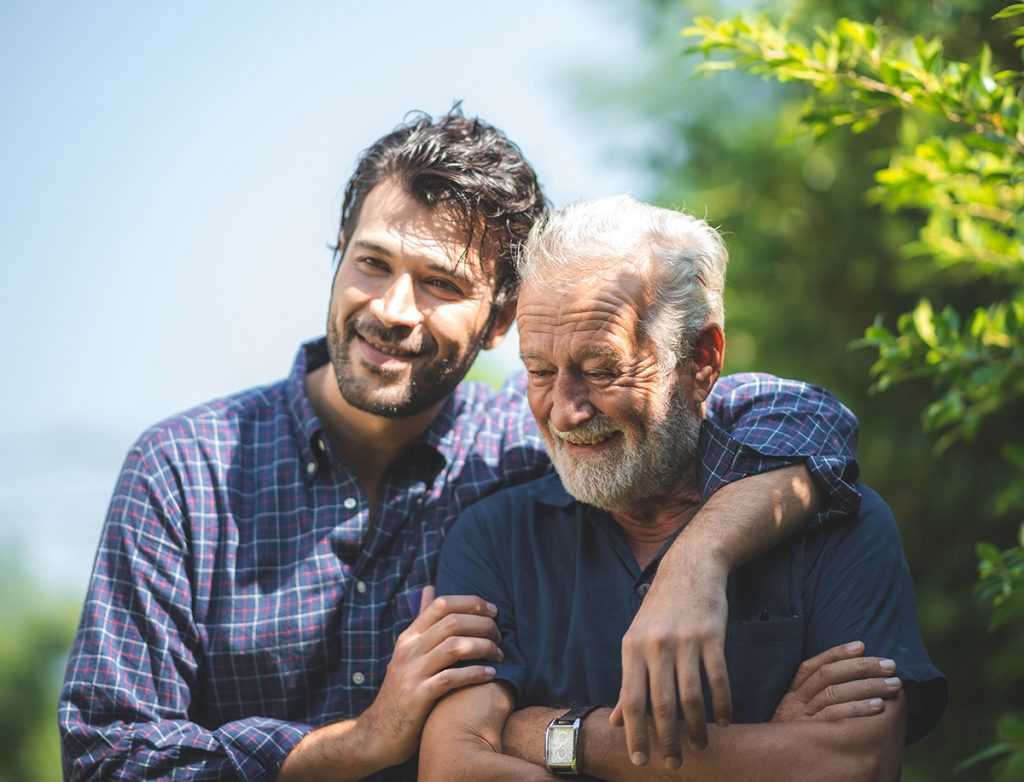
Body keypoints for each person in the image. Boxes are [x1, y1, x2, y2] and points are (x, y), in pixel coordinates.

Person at [59, 111, 861, 782]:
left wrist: (699, 561)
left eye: (441, 284)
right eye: (372, 263)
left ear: (503, 319)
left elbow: (803, 419)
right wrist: (362, 740)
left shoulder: (534, 442)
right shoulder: (182, 471)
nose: (394, 309)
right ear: (338, 256)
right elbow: (106, 755)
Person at [421, 195, 947, 781]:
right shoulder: (497, 537)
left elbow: (853, 765)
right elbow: (452, 768)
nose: (565, 411)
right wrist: (768, 748)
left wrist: (542, 731)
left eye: (601, 370)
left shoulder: (837, 527)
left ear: (701, 359)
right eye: (539, 371)